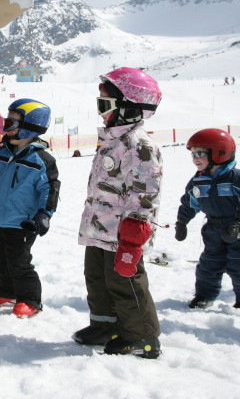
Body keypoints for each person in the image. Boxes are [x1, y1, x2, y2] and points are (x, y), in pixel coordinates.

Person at [73, 67, 163, 359]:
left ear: (127, 107)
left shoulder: (140, 147)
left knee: (125, 283)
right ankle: (105, 326)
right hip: (100, 229)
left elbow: (145, 196)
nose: (100, 112)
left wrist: (133, 239)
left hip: (123, 235)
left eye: (105, 105)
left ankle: (142, 337)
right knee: (97, 279)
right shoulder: (113, 140)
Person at [0, 98, 60, 318]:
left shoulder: (40, 160)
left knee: (18, 261)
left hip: (24, 222)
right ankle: (6, 290)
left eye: (11, 124)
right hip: (2, 219)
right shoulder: (1, 152)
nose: (6, 129)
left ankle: (30, 299)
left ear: (28, 129)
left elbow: (50, 189)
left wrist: (44, 215)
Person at [174, 129, 240, 315]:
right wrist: (182, 222)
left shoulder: (239, 180)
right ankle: (205, 296)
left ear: (219, 153)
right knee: (209, 264)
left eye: (200, 153)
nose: (195, 158)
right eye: (193, 154)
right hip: (213, 229)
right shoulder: (198, 181)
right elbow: (190, 202)